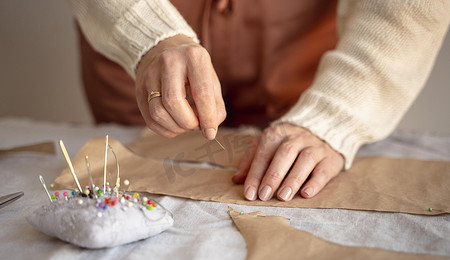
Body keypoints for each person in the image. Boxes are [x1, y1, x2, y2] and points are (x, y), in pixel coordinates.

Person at [68, 0, 450, 202]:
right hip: (138, 53)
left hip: (295, 48)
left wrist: (334, 114)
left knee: (288, 163)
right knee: (131, 168)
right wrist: (148, 37)